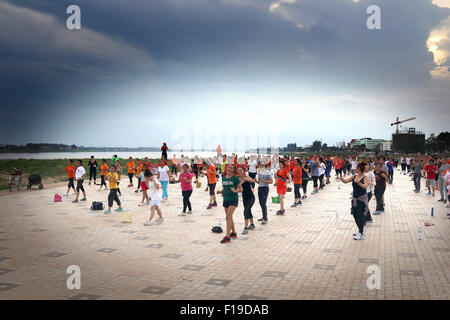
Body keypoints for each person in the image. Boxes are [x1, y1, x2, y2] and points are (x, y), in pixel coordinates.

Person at [340, 162, 371, 240]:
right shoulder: (354, 176)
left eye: (356, 168)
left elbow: (365, 186)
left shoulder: (365, 178)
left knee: (360, 215)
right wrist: (342, 179)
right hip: (355, 199)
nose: (355, 169)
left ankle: (361, 233)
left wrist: (359, 183)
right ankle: (360, 230)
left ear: (360, 169)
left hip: (362, 199)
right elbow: (346, 181)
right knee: (354, 214)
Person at [217, 164, 242, 243]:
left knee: (227, 217)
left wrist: (235, 191)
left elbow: (241, 189)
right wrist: (220, 191)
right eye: (229, 167)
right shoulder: (223, 178)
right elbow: (225, 188)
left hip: (233, 199)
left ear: (233, 170)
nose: (230, 169)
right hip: (225, 199)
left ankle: (227, 237)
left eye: (232, 168)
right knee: (230, 217)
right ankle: (233, 232)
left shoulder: (235, 178)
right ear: (226, 168)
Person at [237, 167, 256, 234]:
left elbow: (253, 181)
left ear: (243, 171)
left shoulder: (246, 177)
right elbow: (236, 188)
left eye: (241, 170)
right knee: (248, 210)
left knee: (245, 211)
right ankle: (252, 224)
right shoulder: (238, 179)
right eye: (238, 170)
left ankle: (245, 228)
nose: (239, 171)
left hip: (251, 197)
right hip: (244, 197)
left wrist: (246, 179)